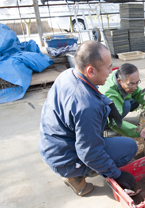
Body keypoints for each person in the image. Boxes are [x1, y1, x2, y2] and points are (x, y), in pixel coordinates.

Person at [38, 41, 137, 196]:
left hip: (51, 146)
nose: (111, 72)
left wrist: (107, 102)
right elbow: (89, 152)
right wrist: (117, 174)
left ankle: (72, 171)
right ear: (91, 70)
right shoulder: (87, 106)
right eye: (108, 67)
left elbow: (92, 90)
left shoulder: (68, 74)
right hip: (63, 158)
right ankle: (75, 176)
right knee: (129, 147)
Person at [99, 63, 145, 142]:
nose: (135, 86)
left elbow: (139, 93)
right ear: (119, 81)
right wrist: (138, 131)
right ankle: (107, 127)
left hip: (118, 98)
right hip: (102, 114)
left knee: (134, 102)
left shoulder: (122, 74)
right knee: (126, 105)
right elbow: (115, 121)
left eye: (137, 82)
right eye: (131, 84)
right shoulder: (110, 94)